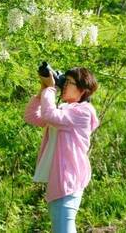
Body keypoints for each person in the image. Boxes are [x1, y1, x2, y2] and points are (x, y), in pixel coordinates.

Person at [23, 67, 100, 233]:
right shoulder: (65, 110)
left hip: (68, 179)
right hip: (58, 179)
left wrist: (51, 88)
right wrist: (43, 90)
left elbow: (50, 115)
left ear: (83, 89)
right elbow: (31, 116)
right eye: (63, 81)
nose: (64, 85)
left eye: (69, 82)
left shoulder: (83, 112)